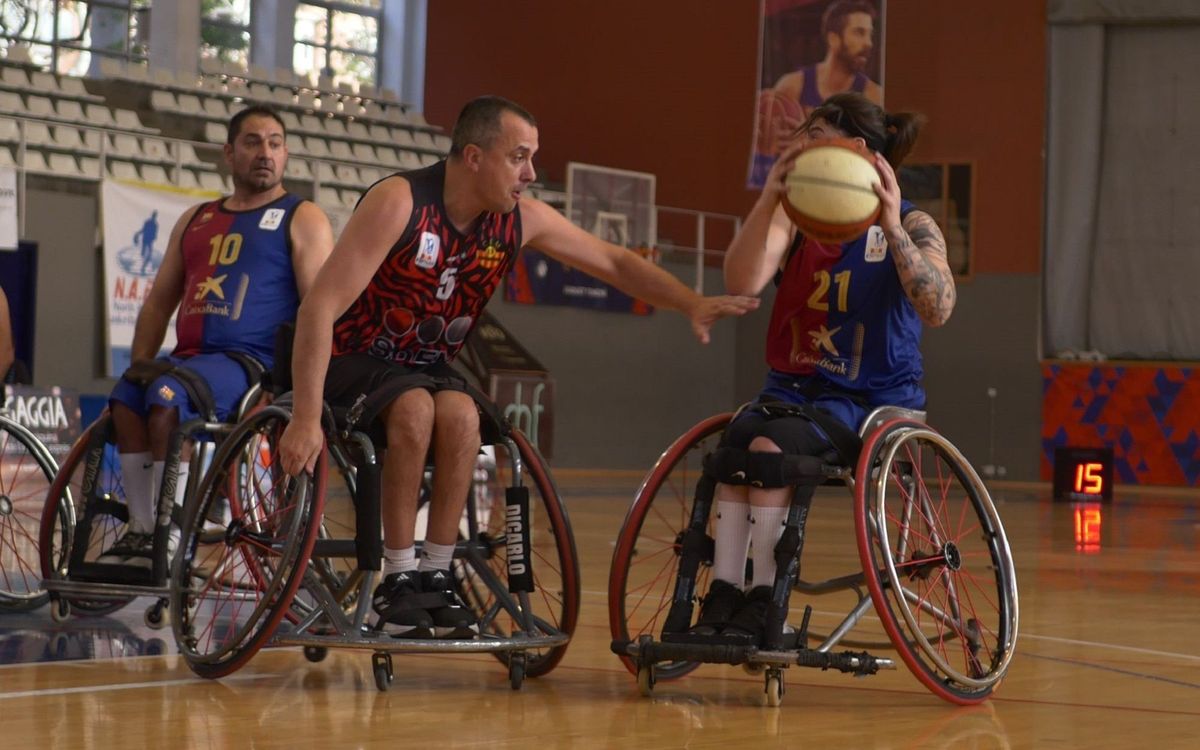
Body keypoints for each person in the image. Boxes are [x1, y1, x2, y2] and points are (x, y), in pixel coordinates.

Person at [277, 95, 759, 639]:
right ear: (475, 157)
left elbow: (615, 262)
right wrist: (305, 415)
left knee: (461, 415)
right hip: (353, 359)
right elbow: (318, 307)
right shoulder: (400, 201)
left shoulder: (519, 219)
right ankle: (397, 577)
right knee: (412, 408)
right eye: (519, 157)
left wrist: (689, 301)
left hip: (423, 364)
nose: (531, 173)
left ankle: (435, 573)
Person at [686, 91, 956, 646]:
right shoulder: (798, 221)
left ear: (854, 150)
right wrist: (768, 199)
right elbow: (741, 282)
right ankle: (723, 594)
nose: (796, 145)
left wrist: (889, 220)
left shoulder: (911, 222)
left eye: (811, 136)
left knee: (767, 450)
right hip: (791, 389)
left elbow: (938, 306)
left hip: (867, 402)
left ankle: (764, 601)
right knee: (737, 442)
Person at [98, 105, 334, 568]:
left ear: (285, 153)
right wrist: (139, 366)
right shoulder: (196, 218)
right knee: (127, 397)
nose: (265, 153)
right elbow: (157, 303)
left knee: (168, 397)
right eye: (252, 142)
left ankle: (171, 534)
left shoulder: (302, 217)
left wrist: (300, 389)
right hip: (190, 359)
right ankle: (141, 529)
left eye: (275, 143)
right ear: (229, 153)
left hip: (251, 365)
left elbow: (321, 310)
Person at [769, 1, 882, 152]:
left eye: (870, 35)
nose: (868, 43)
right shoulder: (791, 86)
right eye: (859, 32)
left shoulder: (873, 96)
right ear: (833, 39)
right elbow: (769, 152)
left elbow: (876, 158)